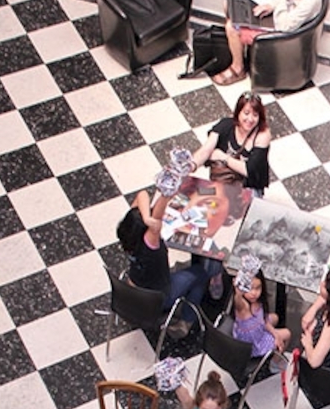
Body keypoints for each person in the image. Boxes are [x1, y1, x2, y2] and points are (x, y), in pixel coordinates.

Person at [116, 188, 216, 340]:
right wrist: (162, 199)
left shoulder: (129, 236)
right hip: (159, 296)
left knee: (181, 272)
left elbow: (141, 195)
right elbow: (160, 204)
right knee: (201, 273)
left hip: (133, 289)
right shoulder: (150, 241)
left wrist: (146, 218)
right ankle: (186, 322)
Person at [213, 0, 323, 86]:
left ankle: (238, 68)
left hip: (283, 28)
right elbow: (290, 0)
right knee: (229, 5)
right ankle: (239, 46)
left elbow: (285, 26)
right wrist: (272, 5)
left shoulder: (309, 1)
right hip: (280, 12)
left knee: (232, 27)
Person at [192, 91, 272, 192]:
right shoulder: (225, 125)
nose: (250, 119)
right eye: (246, 113)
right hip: (222, 185)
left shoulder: (262, 135)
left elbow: (249, 171)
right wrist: (191, 165)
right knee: (199, 195)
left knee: (227, 203)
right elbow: (206, 150)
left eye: (255, 115)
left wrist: (223, 157)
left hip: (247, 188)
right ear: (238, 112)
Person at [233, 270, 290, 359]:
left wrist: (275, 334)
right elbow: (238, 301)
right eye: (250, 288)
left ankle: (276, 346)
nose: (254, 293)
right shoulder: (244, 307)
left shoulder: (257, 302)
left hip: (257, 329)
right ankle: (276, 362)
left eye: (258, 288)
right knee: (287, 334)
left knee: (275, 317)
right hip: (253, 345)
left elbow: (264, 320)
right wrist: (238, 294)